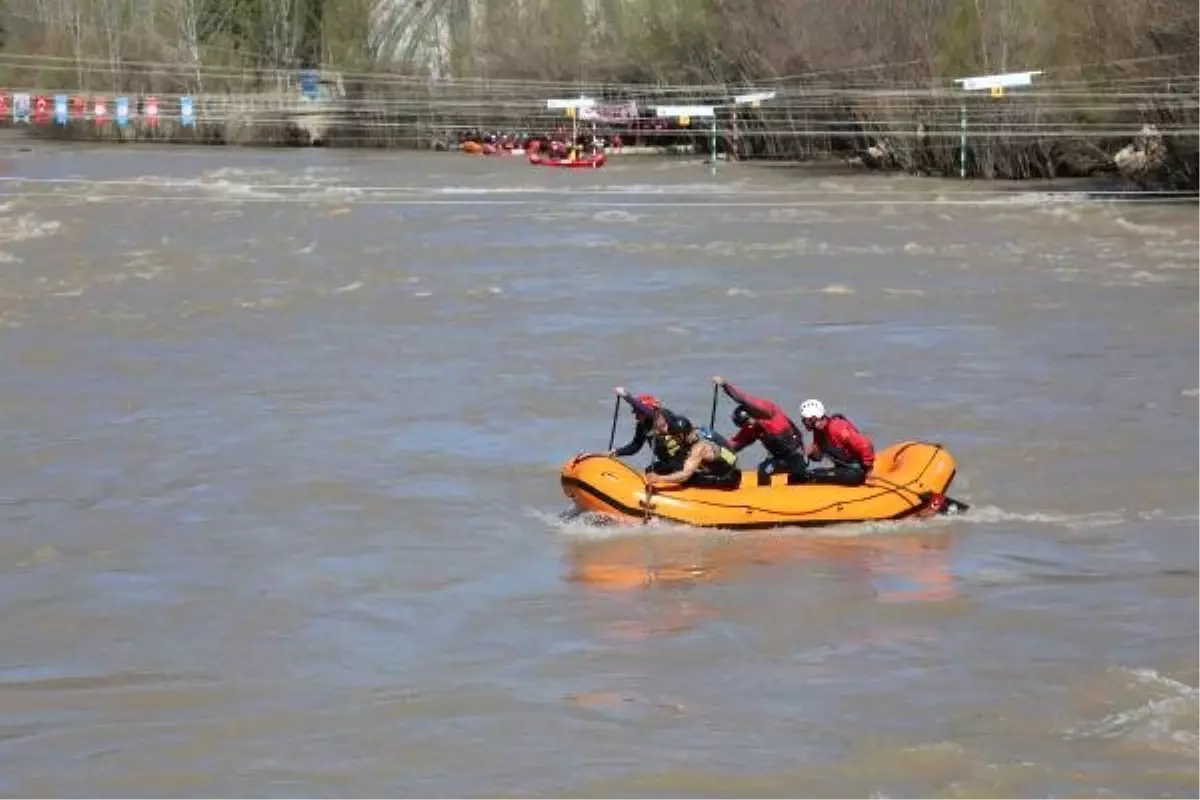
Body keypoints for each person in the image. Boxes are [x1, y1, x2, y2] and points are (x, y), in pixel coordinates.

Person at [714, 376, 807, 486]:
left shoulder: (772, 412)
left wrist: (725, 385)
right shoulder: (751, 429)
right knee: (763, 469)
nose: (747, 427)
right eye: (743, 426)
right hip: (779, 459)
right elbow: (733, 447)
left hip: (797, 456)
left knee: (793, 475)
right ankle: (765, 496)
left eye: (747, 423)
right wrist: (716, 450)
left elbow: (743, 398)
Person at [608, 387, 693, 475]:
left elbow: (648, 412)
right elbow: (635, 446)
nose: (636, 416)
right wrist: (616, 452)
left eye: (638, 413)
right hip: (667, 462)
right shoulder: (642, 425)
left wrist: (626, 396)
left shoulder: (665, 416)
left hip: (684, 461)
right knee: (648, 471)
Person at [797, 399, 875, 486]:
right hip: (842, 468)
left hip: (856, 471)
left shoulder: (837, 427)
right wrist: (811, 453)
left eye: (805, 420)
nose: (803, 423)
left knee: (850, 477)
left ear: (813, 419)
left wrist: (869, 471)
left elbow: (866, 445)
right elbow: (819, 457)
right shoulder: (818, 432)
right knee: (805, 475)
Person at [645, 422, 741, 490]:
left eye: (675, 436)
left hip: (729, 479)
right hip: (726, 468)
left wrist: (659, 478)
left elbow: (685, 475)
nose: (672, 439)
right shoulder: (695, 435)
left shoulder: (699, 448)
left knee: (688, 480)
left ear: (682, 435)